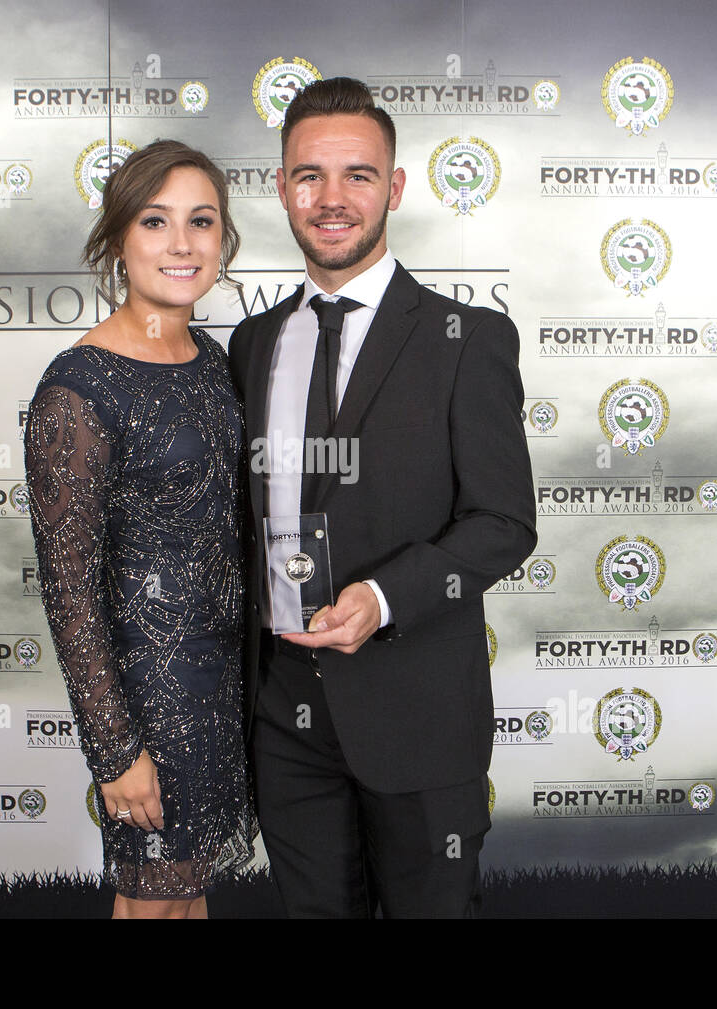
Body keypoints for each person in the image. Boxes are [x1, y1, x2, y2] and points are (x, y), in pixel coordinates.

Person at [228, 77, 537, 917]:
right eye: (309, 176)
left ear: (394, 188)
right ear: (281, 187)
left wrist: (381, 596)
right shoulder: (254, 342)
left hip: (420, 715)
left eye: (358, 175)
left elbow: (504, 524)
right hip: (285, 718)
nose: (332, 200)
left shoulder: (466, 340)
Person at [23, 140, 256, 919]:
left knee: (187, 903)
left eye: (202, 221)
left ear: (223, 238)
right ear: (119, 239)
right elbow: (68, 588)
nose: (182, 244)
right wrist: (115, 748)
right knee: (151, 905)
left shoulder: (215, 361)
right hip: (148, 700)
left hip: (223, 687)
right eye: (156, 222)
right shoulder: (78, 386)